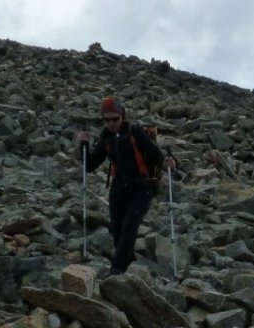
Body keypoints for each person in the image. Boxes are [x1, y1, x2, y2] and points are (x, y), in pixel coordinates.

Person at [76, 97, 178, 276]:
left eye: (114, 118)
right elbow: (90, 165)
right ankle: (127, 265)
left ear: (122, 115)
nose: (110, 123)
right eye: (106, 119)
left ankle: (117, 270)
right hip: (118, 188)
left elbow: (154, 153)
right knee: (117, 230)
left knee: (129, 227)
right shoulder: (106, 137)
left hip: (142, 187)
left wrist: (167, 162)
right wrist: (83, 144)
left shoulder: (134, 131)